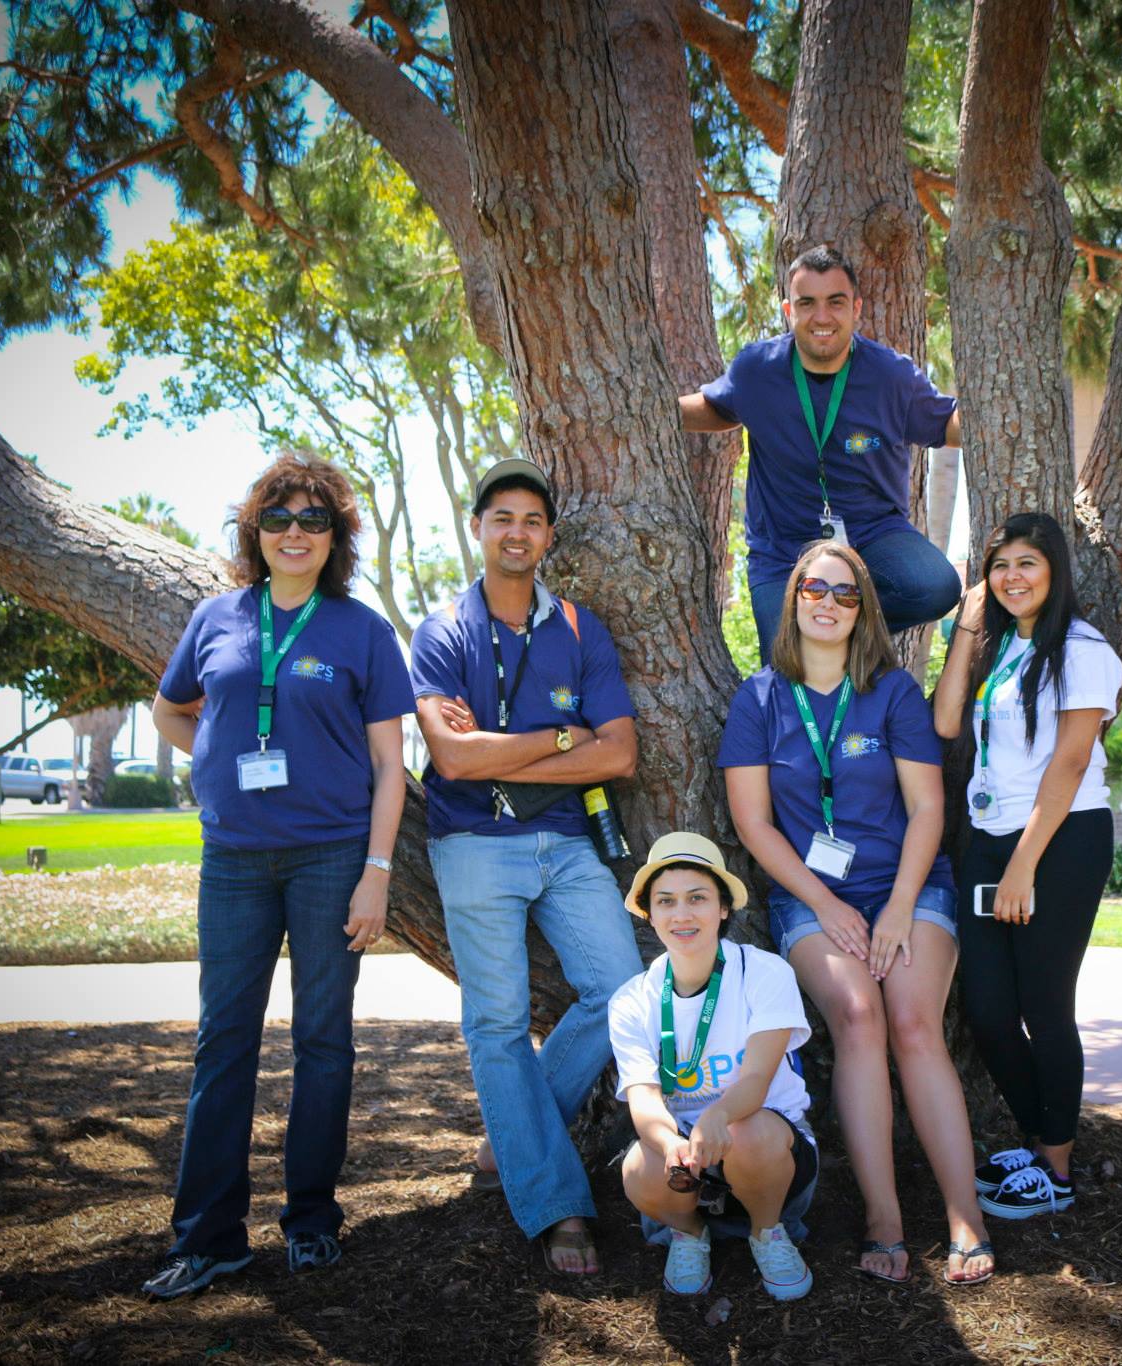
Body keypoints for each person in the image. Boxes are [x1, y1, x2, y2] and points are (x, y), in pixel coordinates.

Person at [143, 453, 413, 1299]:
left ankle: (311, 1222)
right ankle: (209, 1238)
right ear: (254, 532)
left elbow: (390, 762)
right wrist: (220, 762)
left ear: (335, 538)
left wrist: (376, 873)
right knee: (223, 1044)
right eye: (279, 518)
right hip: (232, 862)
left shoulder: (359, 629)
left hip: (332, 857)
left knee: (323, 1043)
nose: (295, 533)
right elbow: (170, 709)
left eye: (313, 520)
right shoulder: (215, 617)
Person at [719, 540, 994, 1286]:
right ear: (794, 598)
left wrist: (901, 908)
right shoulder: (760, 698)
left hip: (911, 888)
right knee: (858, 1015)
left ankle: (966, 1215)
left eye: (846, 594)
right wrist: (827, 903)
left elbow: (928, 806)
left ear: (864, 610)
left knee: (912, 1021)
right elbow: (755, 825)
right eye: (817, 588)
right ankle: (885, 1217)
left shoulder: (894, 692)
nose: (830, 604)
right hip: (814, 899)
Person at [410, 456, 643, 1276]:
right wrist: (561, 738)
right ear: (478, 528)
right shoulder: (442, 632)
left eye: (533, 520)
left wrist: (498, 754)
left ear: (548, 536)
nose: (517, 532)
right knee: (498, 1024)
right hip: (472, 845)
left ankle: (515, 1135)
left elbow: (619, 754)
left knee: (620, 991)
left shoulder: (579, 630)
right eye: (502, 517)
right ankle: (558, 1206)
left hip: (567, 844)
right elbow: (452, 760)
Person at [933, 512, 1122, 1220]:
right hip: (986, 840)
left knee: (1045, 1008)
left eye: (1028, 563)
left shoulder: (1082, 648)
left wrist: (1023, 869)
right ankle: (1039, 1141)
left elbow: (1071, 764)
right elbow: (947, 723)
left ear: (1055, 571)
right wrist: (965, 631)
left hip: (1060, 841)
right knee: (985, 1009)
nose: (1013, 576)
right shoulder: (1001, 648)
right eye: (1000, 565)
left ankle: (1059, 1168)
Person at [679, 243, 963, 661]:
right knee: (788, 663)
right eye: (807, 303)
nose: (822, 317)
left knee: (935, 587)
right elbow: (719, 409)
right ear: (788, 310)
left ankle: (841, 625)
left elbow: (944, 424)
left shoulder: (891, 376)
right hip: (783, 550)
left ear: (857, 308)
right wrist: (651, 409)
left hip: (872, 537)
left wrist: (999, 414)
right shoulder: (758, 368)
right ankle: (827, 636)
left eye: (836, 302)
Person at [609, 832, 818, 1302]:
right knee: (641, 1163)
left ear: (723, 908)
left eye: (697, 898)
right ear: (649, 914)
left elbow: (757, 1079)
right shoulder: (630, 1000)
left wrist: (716, 1117)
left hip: (764, 1148)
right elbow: (643, 1098)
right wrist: (669, 1144)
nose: (681, 914)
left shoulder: (765, 973)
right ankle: (687, 1234)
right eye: (665, 901)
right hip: (688, 1164)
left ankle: (768, 1232)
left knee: (748, 1133)